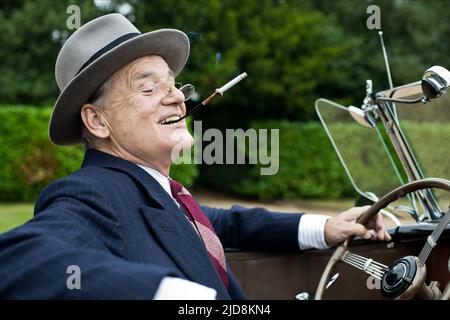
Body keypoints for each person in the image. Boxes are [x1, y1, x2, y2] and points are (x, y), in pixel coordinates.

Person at [0, 14, 390, 299]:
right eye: (148, 88)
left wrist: (323, 226)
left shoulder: (158, 192)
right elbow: (19, 258)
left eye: (173, 84)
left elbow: (220, 223)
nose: (175, 96)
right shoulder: (89, 194)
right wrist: (170, 295)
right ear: (97, 121)